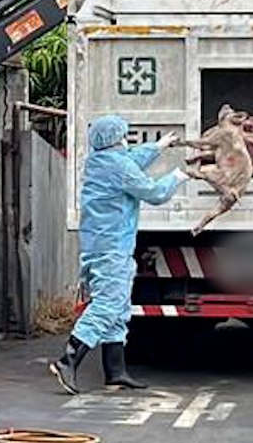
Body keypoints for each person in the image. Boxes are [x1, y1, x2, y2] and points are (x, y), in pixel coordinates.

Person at [50, 115, 188, 394]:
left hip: (103, 247)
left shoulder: (101, 161)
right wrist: (181, 175)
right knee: (107, 307)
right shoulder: (118, 167)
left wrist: (159, 145)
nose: (126, 139)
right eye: (124, 135)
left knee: (119, 310)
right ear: (117, 138)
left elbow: (131, 159)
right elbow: (154, 192)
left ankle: (116, 372)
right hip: (111, 249)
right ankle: (68, 360)